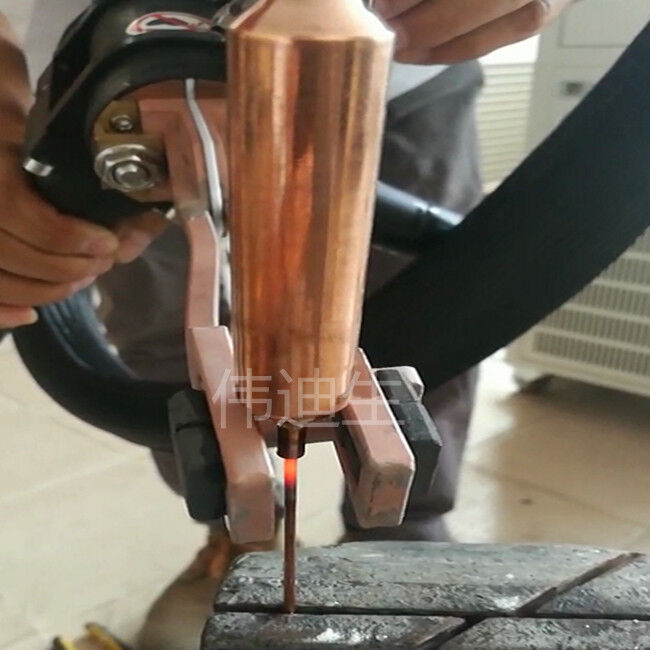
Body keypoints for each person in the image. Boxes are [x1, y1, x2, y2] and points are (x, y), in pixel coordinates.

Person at [0, 0, 573, 643]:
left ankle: (405, 538)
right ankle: (236, 535)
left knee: (448, 317)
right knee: (164, 335)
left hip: (412, 68)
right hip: (133, 90)